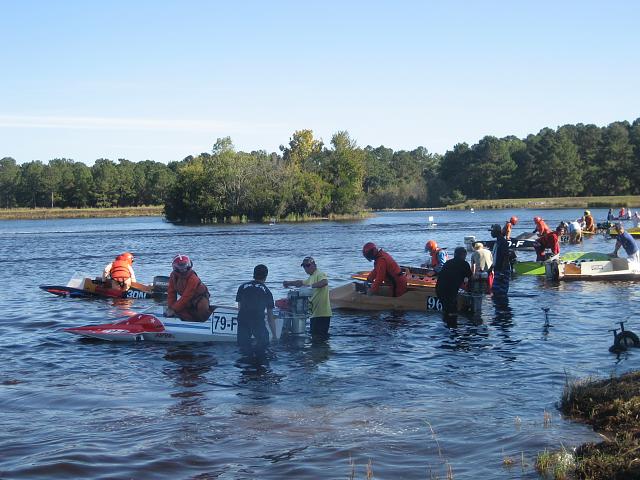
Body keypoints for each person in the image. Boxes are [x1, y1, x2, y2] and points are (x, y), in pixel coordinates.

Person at [283, 256, 332, 340]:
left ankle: (322, 352)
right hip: (314, 314)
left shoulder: (319, 273)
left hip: (322, 313)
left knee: (321, 338)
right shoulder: (311, 277)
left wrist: (310, 286)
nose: (306, 268)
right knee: (315, 337)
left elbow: (324, 282)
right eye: (304, 266)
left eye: (308, 265)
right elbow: (301, 283)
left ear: (314, 265)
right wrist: (289, 282)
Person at [236, 264, 278, 358]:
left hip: (243, 321)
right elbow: (270, 317)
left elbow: (240, 308)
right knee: (263, 349)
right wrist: (275, 336)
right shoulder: (266, 291)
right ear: (266, 276)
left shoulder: (242, 287)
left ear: (253, 274)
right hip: (257, 322)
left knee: (244, 351)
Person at [166, 254, 211, 321]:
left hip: (200, 298)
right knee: (180, 311)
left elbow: (187, 295)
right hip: (188, 300)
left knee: (202, 308)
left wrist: (174, 309)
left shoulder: (193, 278)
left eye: (184, 265)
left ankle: (206, 323)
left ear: (188, 264)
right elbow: (171, 293)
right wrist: (170, 308)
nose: (183, 268)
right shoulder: (173, 276)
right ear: (175, 267)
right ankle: (189, 323)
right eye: (180, 265)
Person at [436, 247, 472, 320]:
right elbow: (469, 278)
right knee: (452, 312)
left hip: (439, 289)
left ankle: (446, 324)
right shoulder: (464, 264)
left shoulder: (448, 263)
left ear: (455, 254)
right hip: (450, 290)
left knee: (446, 310)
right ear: (463, 255)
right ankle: (451, 326)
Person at [490, 224, 510, 297]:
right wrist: (491, 268)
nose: (491, 233)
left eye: (492, 231)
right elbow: (496, 257)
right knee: (495, 291)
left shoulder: (502, 242)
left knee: (501, 292)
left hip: (502, 271)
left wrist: (502, 272)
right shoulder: (498, 242)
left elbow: (506, 257)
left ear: (496, 232)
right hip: (497, 269)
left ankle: (502, 307)